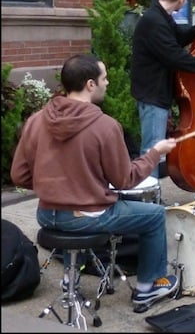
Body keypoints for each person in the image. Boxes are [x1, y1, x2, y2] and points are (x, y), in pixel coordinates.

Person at [10, 53, 180, 312]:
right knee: (155, 215)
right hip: (85, 216)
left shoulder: (37, 120)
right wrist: (155, 153)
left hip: (47, 215)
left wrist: (53, 185)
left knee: (76, 215)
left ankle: (71, 278)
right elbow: (125, 179)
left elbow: (19, 176)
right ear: (90, 84)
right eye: (104, 78)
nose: (108, 82)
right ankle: (149, 287)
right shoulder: (105, 126)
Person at [131, 0, 195, 179]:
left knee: (153, 147)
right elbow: (174, 55)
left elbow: (176, 38)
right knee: (152, 148)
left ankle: (151, 196)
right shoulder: (153, 21)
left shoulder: (160, 16)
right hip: (152, 93)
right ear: (182, 0)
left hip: (156, 92)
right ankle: (149, 200)